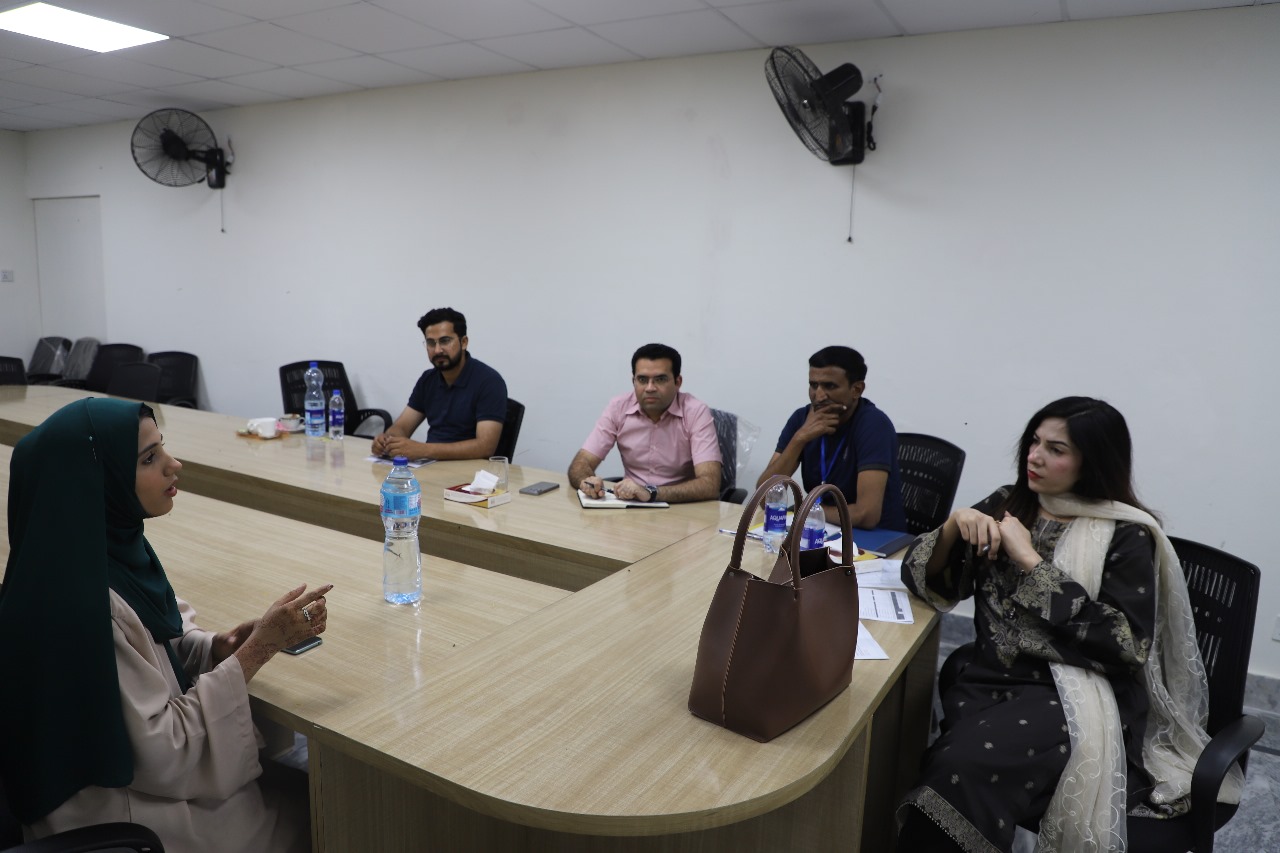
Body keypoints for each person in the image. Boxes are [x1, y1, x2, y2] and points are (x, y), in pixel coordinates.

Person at [895, 397, 1241, 852]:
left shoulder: (1125, 533)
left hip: (1073, 693)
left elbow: (1126, 645)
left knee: (960, 767)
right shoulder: (1009, 503)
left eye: (1056, 449)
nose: (1035, 457)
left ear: (1093, 461)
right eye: (1034, 442)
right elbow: (926, 580)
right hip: (989, 679)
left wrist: (1030, 561)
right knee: (947, 755)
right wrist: (953, 527)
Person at [0, 398, 332, 852]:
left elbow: (150, 650)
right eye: (149, 458)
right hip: (128, 817)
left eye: (163, 448)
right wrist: (258, 650)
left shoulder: (88, 556)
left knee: (306, 791)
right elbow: (166, 750)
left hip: (139, 790)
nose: (174, 465)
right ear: (99, 482)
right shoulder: (85, 606)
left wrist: (218, 647)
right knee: (333, 815)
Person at [756, 346, 907, 530]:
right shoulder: (802, 419)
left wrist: (805, 509)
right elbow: (764, 498)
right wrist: (800, 439)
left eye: (830, 386)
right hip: (820, 526)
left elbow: (866, 515)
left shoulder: (874, 425)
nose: (819, 396)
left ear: (857, 389)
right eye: (813, 385)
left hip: (873, 538)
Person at [568, 343, 722, 504]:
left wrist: (650, 493)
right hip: (630, 505)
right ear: (633, 381)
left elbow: (709, 485)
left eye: (660, 379)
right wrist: (587, 482)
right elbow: (580, 463)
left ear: (678, 382)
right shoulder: (618, 407)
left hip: (683, 508)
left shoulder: (696, 412)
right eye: (642, 380)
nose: (650, 388)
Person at [371, 306, 508, 461]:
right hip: (430, 465)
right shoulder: (428, 379)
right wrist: (387, 440)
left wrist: (423, 450)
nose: (437, 350)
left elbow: (485, 447)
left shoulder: (489, 381)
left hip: (470, 471)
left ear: (464, 342)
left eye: (445, 341)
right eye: (431, 343)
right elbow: (402, 426)